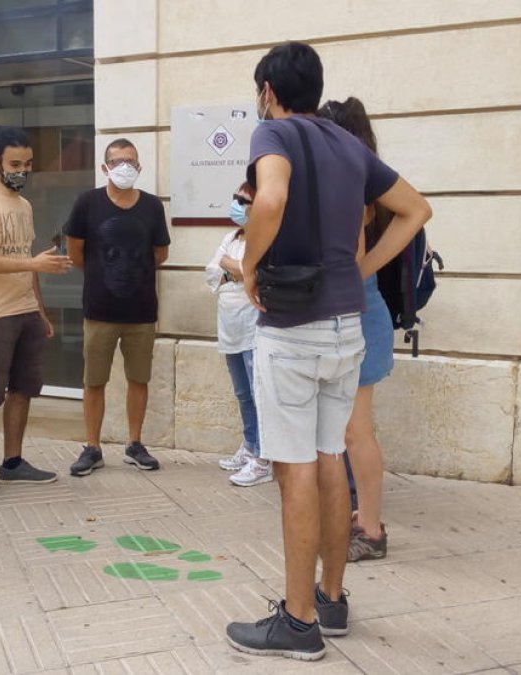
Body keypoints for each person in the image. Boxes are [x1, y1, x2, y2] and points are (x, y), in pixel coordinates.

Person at [225, 43, 432, 661]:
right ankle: (333, 601)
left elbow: (270, 199)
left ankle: (297, 621)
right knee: (329, 456)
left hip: (294, 328)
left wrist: (250, 266)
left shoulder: (273, 134)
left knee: (295, 472)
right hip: (348, 325)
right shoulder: (349, 144)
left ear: (268, 89)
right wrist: (361, 264)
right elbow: (415, 210)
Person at [0, 124, 71, 510]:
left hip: (25, 312)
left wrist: (40, 312)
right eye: (14, 164)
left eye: (27, 164)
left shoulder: (23, 206)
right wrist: (34, 262)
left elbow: (27, 266)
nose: (22, 170)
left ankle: (12, 461)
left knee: (23, 390)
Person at [319, 97, 397, 561]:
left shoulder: (356, 184)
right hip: (363, 310)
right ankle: (364, 518)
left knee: (355, 432)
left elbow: (352, 254)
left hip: (358, 315)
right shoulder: (368, 177)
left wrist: (362, 268)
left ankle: (370, 529)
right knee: (352, 430)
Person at [65, 138, 170, 476]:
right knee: (94, 381)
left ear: (139, 167)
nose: (126, 166)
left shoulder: (153, 206)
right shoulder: (87, 203)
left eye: (132, 161)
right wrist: (104, 272)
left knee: (138, 379)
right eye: (118, 160)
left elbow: (160, 253)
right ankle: (92, 447)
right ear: (104, 167)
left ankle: (135, 444)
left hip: (141, 312)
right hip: (99, 312)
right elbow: (75, 253)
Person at [207, 182, 271, 487]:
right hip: (229, 323)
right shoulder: (229, 237)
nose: (236, 204)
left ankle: (264, 455)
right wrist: (237, 270)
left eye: (243, 200)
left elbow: (256, 272)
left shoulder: (266, 238)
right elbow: (211, 270)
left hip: (253, 323)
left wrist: (233, 268)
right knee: (243, 393)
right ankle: (248, 445)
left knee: (260, 393)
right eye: (234, 198)